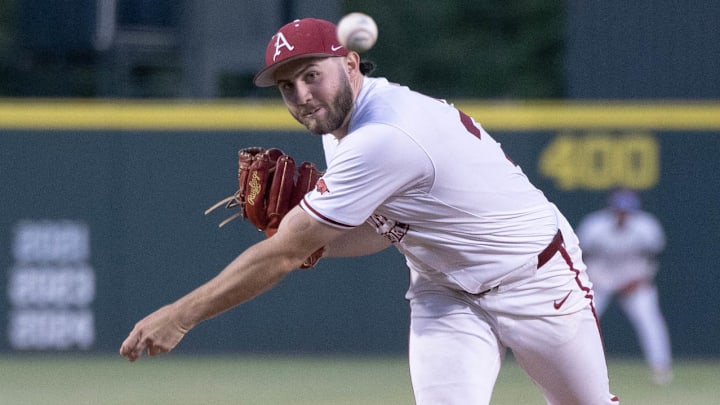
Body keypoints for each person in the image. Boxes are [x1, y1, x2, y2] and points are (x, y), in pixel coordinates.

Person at [120, 18, 618, 404]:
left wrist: (180, 315)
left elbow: (283, 256)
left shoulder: (383, 138)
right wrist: (310, 238)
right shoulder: (344, 135)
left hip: (534, 279)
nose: (302, 96)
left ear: (351, 65)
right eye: (287, 87)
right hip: (445, 292)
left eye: (312, 76)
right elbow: (384, 231)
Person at [577, 189, 673, 385]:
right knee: (581, 321)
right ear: (612, 209)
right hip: (599, 280)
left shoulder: (646, 227)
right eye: (619, 210)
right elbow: (579, 257)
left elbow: (653, 258)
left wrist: (641, 279)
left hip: (633, 280)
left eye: (627, 211)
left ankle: (661, 368)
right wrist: (590, 281)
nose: (623, 215)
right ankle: (573, 367)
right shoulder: (594, 225)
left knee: (649, 321)